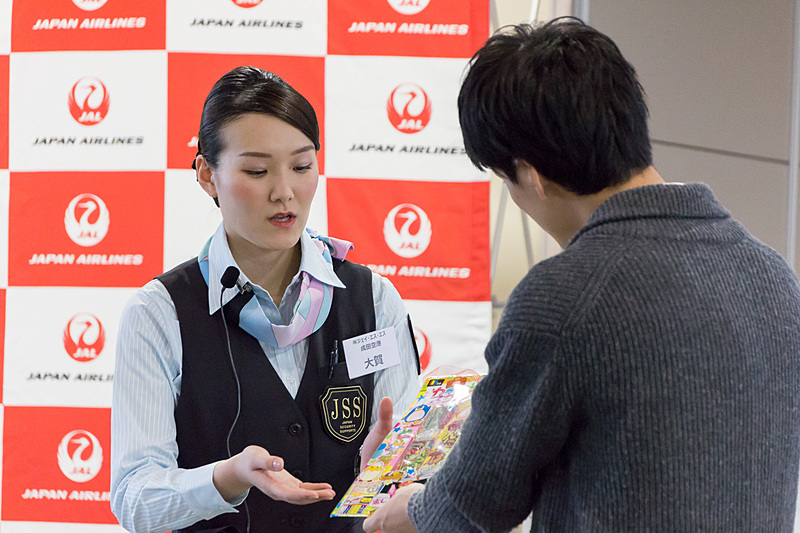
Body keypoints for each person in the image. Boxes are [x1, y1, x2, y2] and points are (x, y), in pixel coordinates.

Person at [364, 18, 800, 533]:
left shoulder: (563, 296)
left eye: (507, 180)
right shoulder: (774, 277)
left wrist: (403, 509)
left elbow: (473, 504)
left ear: (531, 176)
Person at [110, 66, 421, 533]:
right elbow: (134, 498)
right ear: (207, 175)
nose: (284, 192)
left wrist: (391, 474)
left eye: (302, 166)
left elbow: (408, 479)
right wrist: (225, 478)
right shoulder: (159, 313)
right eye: (257, 171)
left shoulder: (374, 298)